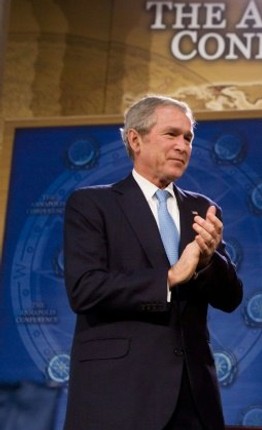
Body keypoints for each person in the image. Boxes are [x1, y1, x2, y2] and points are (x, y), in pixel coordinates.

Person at [63, 95, 244, 429]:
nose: (182, 146)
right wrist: (170, 278)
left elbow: (230, 298)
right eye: (171, 135)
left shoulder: (201, 208)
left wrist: (207, 261)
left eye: (188, 138)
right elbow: (85, 289)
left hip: (192, 398)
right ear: (136, 139)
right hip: (118, 396)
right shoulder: (92, 205)